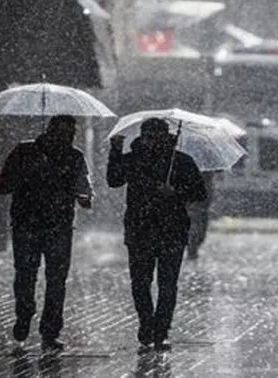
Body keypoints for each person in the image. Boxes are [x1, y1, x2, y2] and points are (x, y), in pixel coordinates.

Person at [107, 118, 207, 353]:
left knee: (167, 283)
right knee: (140, 283)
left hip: (172, 230)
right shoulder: (133, 159)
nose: (153, 142)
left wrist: (175, 192)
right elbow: (114, 180)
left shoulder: (181, 161)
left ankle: (161, 330)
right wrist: (115, 151)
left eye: (157, 137)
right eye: (149, 136)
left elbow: (199, 193)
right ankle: (146, 323)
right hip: (139, 230)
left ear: (166, 137)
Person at [0, 115, 93, 353]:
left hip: (59, 227)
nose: (66, 139)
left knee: (56, 281)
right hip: (26, 224)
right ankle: (25, 314)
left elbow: (85, 192)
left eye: (70, 134)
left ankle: (50, 332)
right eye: (62, 133)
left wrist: (85, 198)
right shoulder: (24, 152)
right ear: (49, 131)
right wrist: (28, 171)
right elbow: (2, 186)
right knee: (26, 276)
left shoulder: (74, 157)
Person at [186, 171, 214, 260]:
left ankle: (193, 244)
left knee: (200, 228)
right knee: (195, 224)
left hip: (202, 202)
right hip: (193, 201)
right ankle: (192, 246)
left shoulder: (208, 173)